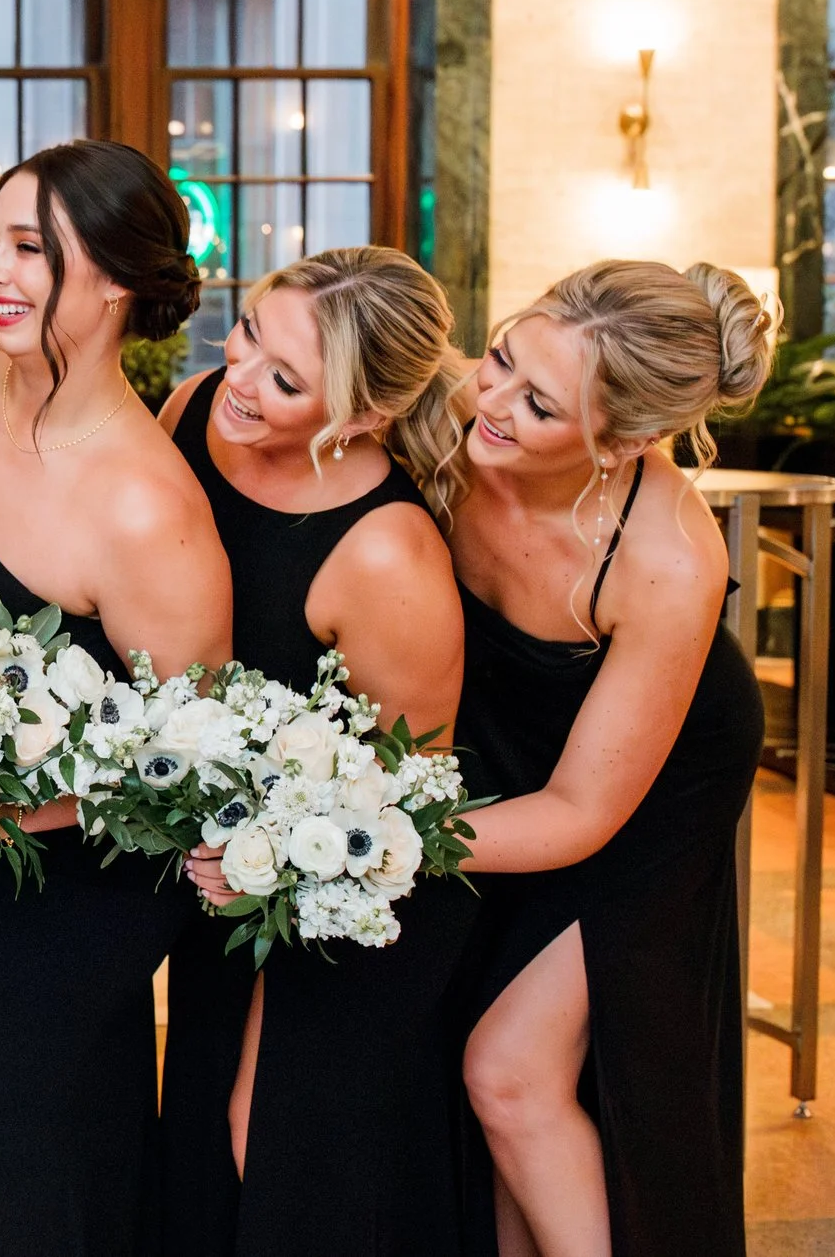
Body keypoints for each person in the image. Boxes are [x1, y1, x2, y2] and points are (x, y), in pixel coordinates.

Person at [0, 140, 233, 1257]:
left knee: (13, 1170)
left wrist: (24, 812)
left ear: (117, 279)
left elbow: (197, 761)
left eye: (29, 248)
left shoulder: (143, 505)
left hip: (65, 905)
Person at [447, 260, 775, 1257]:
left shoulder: (669, 555)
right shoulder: (465, 415)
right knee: (466, 1048)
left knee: (509, 1071)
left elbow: (580, 812)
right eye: (500, 357)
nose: (490, 401)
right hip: (504, 737)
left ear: (624, 439)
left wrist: (367, 834)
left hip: (651, 782)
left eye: (537, 403)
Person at [160, 246, 474, 1257]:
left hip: (333, 906)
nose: (240, 375)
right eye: (249, 328)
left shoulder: (388, 556)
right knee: (200, 1139)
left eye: (287, 380)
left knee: (273, 1140)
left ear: (364, 417)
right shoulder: (195, 407)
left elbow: (394, 814)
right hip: (218, 872)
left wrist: (269, 874)